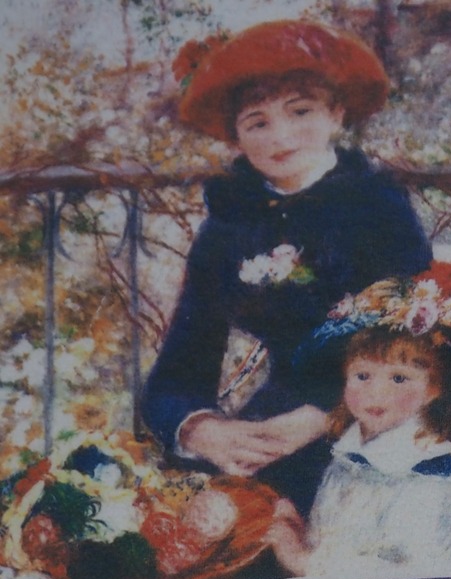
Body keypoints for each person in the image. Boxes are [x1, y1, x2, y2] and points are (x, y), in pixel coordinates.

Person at [141, 20, 432, 519]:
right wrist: (204, 430)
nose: (280, 137)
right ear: (236, 135)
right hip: (271, 430)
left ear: (335, 113)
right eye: (257, 122)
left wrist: (323, 415)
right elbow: (178, 370)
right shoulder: (231, 224)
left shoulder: (377, 207)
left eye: (300, 112)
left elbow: (419, 345)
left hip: (379, 427)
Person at [273, 265, 451, 579]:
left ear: (433, 389)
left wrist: (302, 561)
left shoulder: (426, 478)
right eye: (363, 376)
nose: (377, 393)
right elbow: (340, 542)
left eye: (399, 378)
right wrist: (299, 532)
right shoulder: (351, 455)